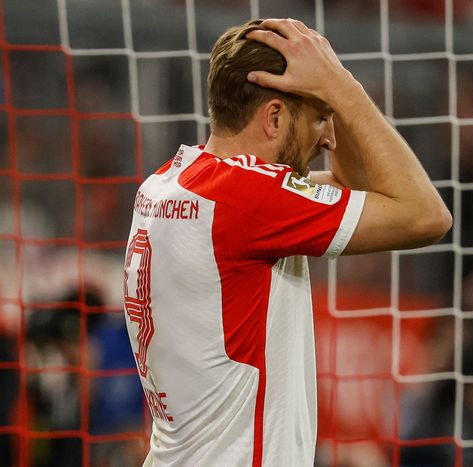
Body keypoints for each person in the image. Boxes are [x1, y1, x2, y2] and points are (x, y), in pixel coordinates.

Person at [123, 17, 451, 467]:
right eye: (320, 117)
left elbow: (353, 186)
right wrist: (344, 89)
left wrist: (329, 94)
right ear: (274, 116)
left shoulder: (170, 184)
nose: (330, 137)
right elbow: (426, 216)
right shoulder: (247, 200)